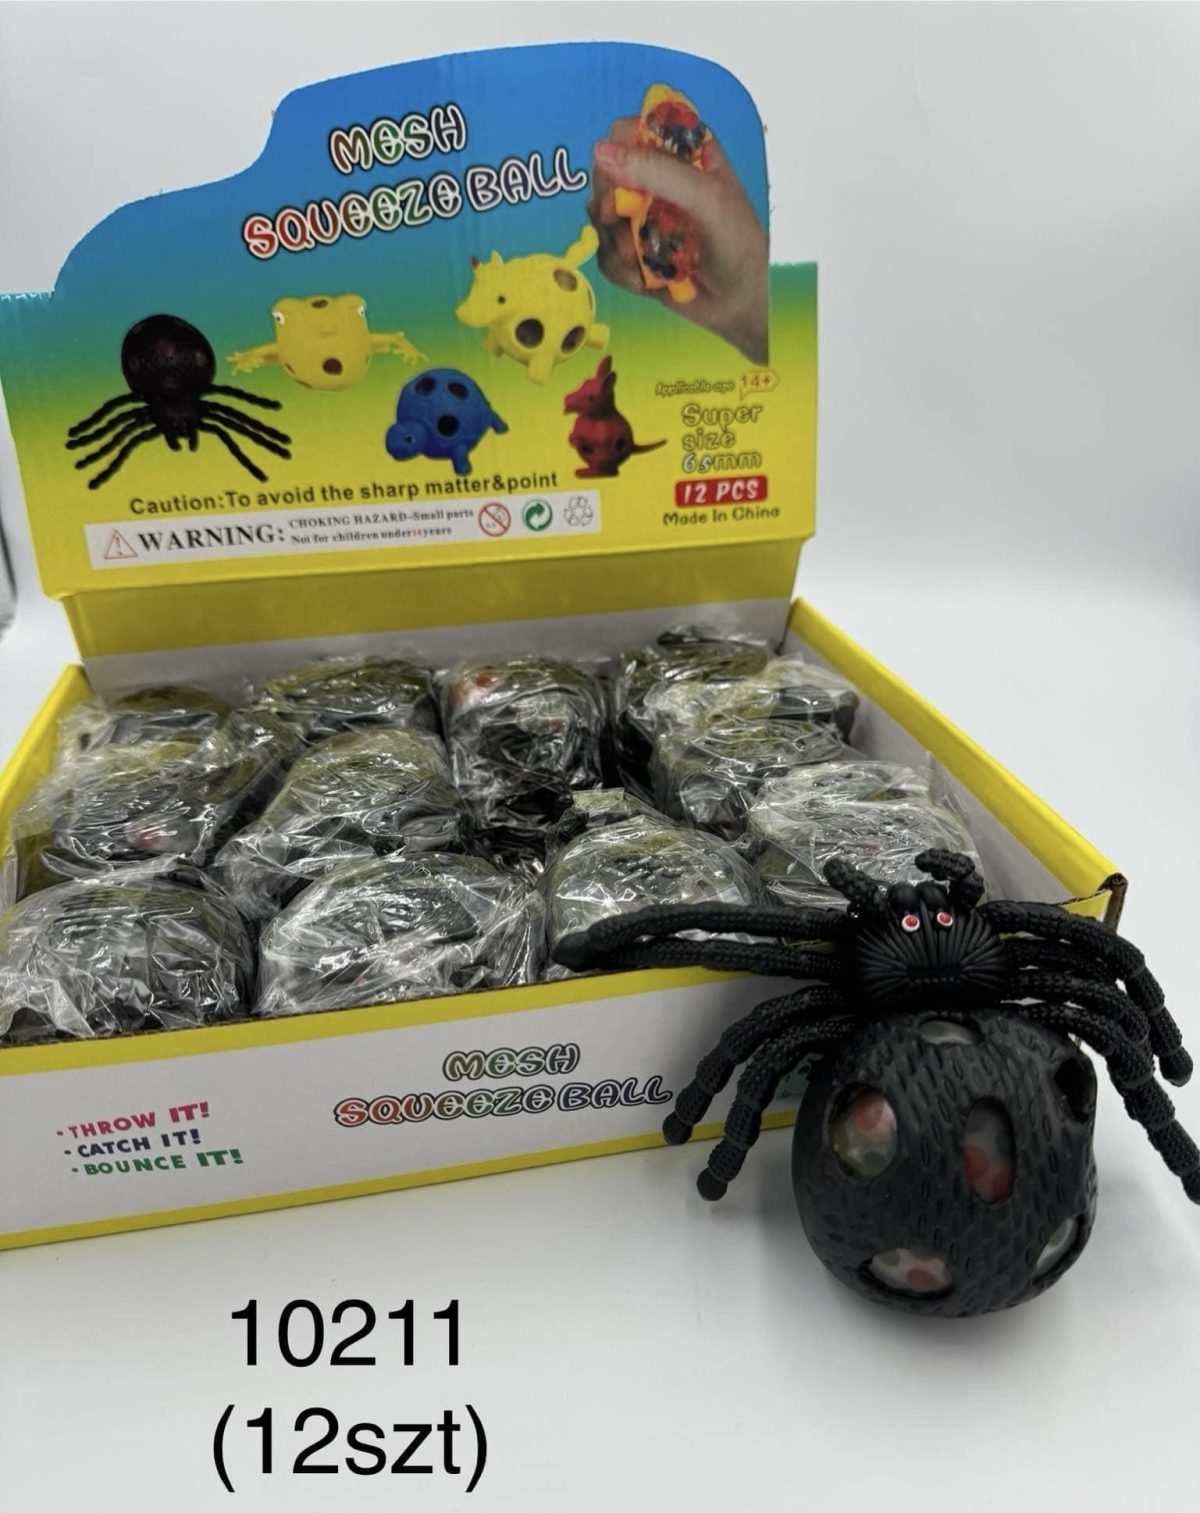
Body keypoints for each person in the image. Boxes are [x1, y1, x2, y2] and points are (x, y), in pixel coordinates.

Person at [589, 119, 769, 365]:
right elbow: (623, 203)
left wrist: (748, 298)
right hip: (660, 254)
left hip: (674, 257)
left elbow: (623, 202)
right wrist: (742, 310)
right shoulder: (649, 198)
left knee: (672, 278)